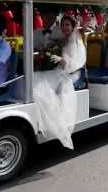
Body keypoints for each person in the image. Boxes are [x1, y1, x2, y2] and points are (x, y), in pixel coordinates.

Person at [33, 16, 85, 149]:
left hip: (72, 74)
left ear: (73, 26)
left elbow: (78, 63)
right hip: (59, 71)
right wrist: (46, 53)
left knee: (43, 85)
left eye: (67, 25)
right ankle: (43, 120)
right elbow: (52, 51)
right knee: (37, 79)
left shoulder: (76, 41)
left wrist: (62, 60)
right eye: (62, 25)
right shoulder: (61, 40)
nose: (64, 27)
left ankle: (55, 121)